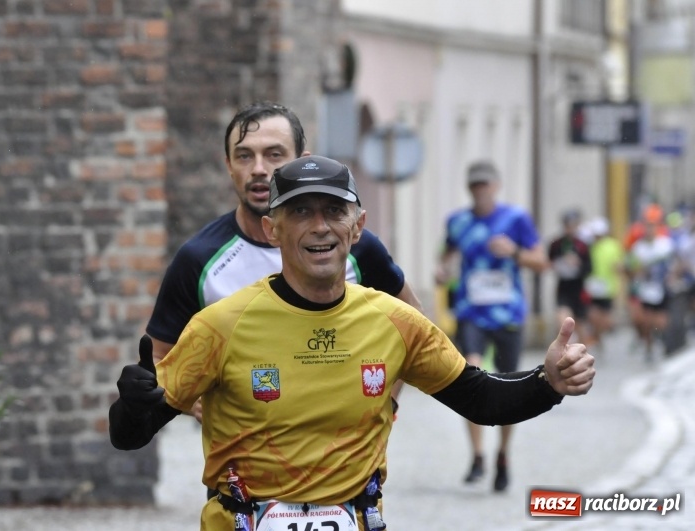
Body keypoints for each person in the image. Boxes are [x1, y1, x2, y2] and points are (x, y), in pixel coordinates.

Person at [109, 155, 595, 530]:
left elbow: (482, 398)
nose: (319, 226)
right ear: (271, 229)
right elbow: (130, 434)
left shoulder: (395, 321)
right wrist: (133, 405)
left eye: (334, 211)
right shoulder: (221, 325)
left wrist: (547, 381)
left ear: (357, 226)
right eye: (300, 212)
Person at [146, 101, 422, 420]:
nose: (259, 169)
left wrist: (389, 401)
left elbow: (414, 326)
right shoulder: (199, 259)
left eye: (274, 155)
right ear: (229, 165)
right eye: (245, 156)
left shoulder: (353, 246)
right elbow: (158, 356)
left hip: (343, 455)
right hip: (248, 460)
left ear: (301, 163)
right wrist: (184, 399)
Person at [434, 160, 548, 492]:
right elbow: (445, 256)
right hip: (471, 312)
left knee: (507, 383)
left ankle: (502, 454)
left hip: (508, 314)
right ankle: (478, 455)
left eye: (485, 184)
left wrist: (514, 253)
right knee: (472, 373)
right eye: (474, 185)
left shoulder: (515, 219)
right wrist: (442, 272)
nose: (480, 190)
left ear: (496, 186)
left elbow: (541, 262)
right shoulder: (458, 222)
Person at [625, 211, 676, 361]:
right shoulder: (638, 248)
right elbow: (631, 269)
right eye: (647, 227)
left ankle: (661, 338)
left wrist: (672, 275)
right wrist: (634, 272)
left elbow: (673, 265)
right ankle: (649, 348)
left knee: (660, 323)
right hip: (645, 289)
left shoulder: (665, 244)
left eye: (652, 227)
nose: (649, 230)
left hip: (662, 288)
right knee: (645, 322)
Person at [548, 208, 592, 345]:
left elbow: (589, 268)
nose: (570, 229)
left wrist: (578, 264)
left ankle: (584, 354)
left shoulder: (582, 245)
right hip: (563, 287)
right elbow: (549, 262)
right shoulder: (556, 244)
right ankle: (563, 351)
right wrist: (561, 262)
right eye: (567, 225)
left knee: (580, 325)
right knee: (562, 320)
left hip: (578, 288)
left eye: (573, 225)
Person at [583, 217, 624, 354]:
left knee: (604, 319)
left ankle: (599, 336)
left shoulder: (612, 245)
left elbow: (617, 264)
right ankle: (596, 338)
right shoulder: (590, 246)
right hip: (592, 287)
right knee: (593, 315)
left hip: (607, 288)